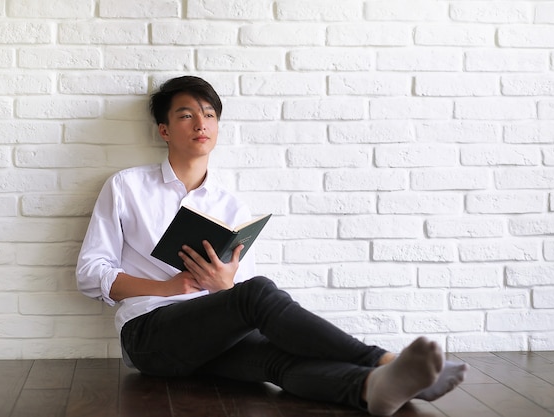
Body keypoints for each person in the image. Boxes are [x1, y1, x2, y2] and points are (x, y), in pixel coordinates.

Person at [76, 76, 468, 416]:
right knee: (260, 291)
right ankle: (383, 359)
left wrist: (222, 285)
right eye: (186, 115)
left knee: (275, 359)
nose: (201, 123)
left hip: (210, 333)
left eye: (210, 115)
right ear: (164, 130)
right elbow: (91, 273)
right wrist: (168, 287)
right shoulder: (127, 187)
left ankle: (370, 388)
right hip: (149, 335)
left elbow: (238, 298)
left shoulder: (230, 206)